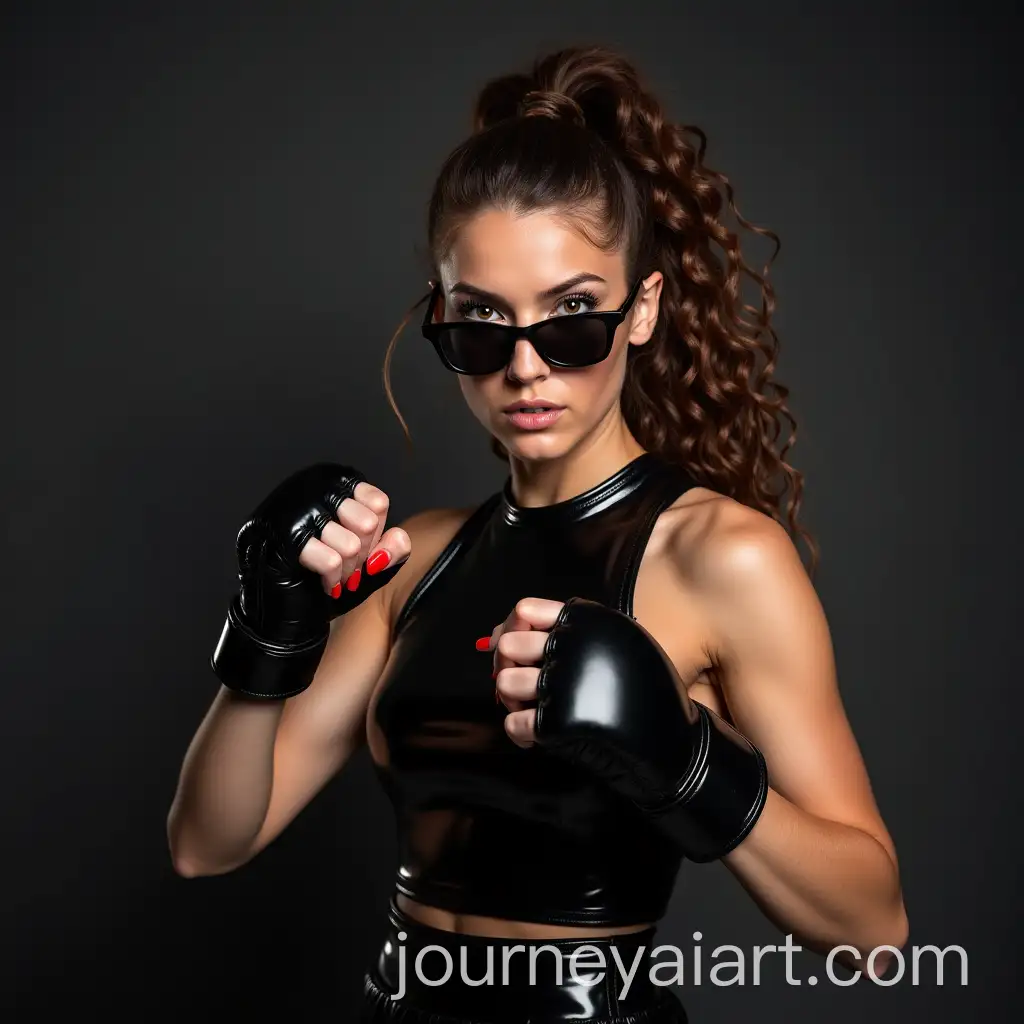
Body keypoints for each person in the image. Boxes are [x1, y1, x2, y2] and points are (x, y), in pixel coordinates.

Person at [167, 45, 908, 1023]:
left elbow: (875, 932)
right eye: (482, 323)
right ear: (442, 321)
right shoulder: (415, 560)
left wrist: (683, 759)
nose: (524, 369)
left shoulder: (718, 557)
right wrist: (267, 636)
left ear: (639, 311)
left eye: (569, 320)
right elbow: (207, 842)